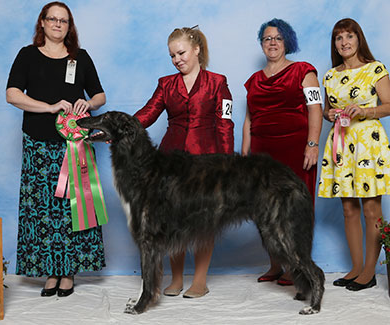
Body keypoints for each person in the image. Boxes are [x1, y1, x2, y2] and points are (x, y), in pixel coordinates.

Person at [6, 1, 106, 297]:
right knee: (41, 210)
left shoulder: (81, 57)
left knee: (72, 210)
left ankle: (69, 272)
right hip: (37, 143)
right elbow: (12, 94)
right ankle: (50, 272)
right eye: (53, 19)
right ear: (42, 23)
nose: (58, 24)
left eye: (64, 20)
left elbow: (100, 95)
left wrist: (88, 103)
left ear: (69, 25)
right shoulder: (27, 56)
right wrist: (49, 108)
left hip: (73, 145)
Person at [134, 26, 234, 298]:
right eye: (172, 56)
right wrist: (122, 128)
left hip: (207, 161)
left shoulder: (218, 82)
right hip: (171, 161)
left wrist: (227, 165)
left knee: (204, 220)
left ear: (197, 49)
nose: (177, 59)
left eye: (181, 53)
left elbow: (225, 124)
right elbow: (147, 113)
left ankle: (199, 280)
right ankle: (176, 278)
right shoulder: (165, 84)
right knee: (170, 219)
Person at [242, 18, 323, 285]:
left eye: (278, 38)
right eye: (267, 38)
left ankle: (296, 267)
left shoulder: (304, 71)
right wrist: (244, 157)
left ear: (287, 41)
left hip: (296, 152)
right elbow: (249, 120)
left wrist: (313, 144)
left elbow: (315, 109)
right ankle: (275, 264)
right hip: (262, 155)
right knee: (265, 211)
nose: (272, 42)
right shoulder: (253, 80)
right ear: (262, 44)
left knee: (295, 210)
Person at [318, 18, 390, 291]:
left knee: (371, 208)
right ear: (334, 44)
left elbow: (389, 105)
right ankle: (356, 268)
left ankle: (370, 272)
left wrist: (365, 111)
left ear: (359, 39)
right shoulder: (330, 75)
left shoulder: (375, 69)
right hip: (340, 143)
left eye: (349, 36)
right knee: (348, 208)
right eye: (339, 38)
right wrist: (330, 114)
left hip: (368, 144)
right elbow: (326, 111)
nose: (344, 42)